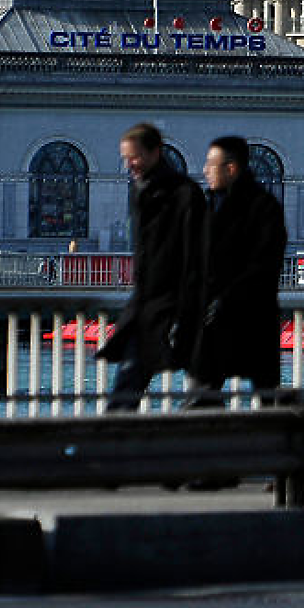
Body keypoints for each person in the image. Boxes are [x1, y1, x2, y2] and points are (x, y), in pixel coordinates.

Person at [98, 123, 204, 410]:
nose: (128, 164)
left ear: (154, 152)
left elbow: (195, 255)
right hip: (149, 305)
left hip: (171, 306)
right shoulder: (142, 190)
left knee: (128, 388)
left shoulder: (183, 194)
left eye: (134, 157)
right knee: (128, 387)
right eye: (125, 158)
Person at [185, 135, 288, 405]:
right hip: (219, 321)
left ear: (231, 168)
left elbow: (264, 265)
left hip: (248, 319)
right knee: (204, 398)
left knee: (260, 400)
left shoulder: (262, 208)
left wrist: (223, 299)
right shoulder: (209, 206)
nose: (205, 170)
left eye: (211, 164)